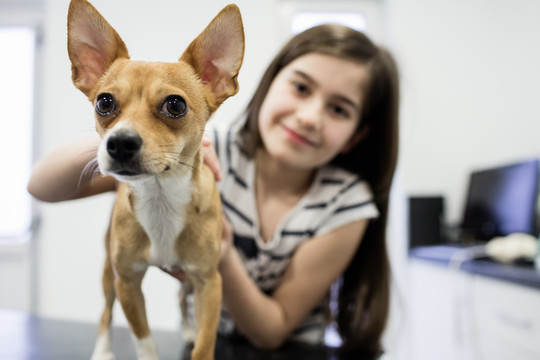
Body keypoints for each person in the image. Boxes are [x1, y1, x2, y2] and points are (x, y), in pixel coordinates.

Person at [28, 24, 399, 357]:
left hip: (293, 350)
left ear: (217, 79)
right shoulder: (190, 148)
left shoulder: (347, 204)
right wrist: (113, 140)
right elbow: (40, 185)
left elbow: (272, 331)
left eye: (338, 109)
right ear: (270, 82)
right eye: (301, 87)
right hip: (198, 343)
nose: (309, 116)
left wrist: (219, 254)